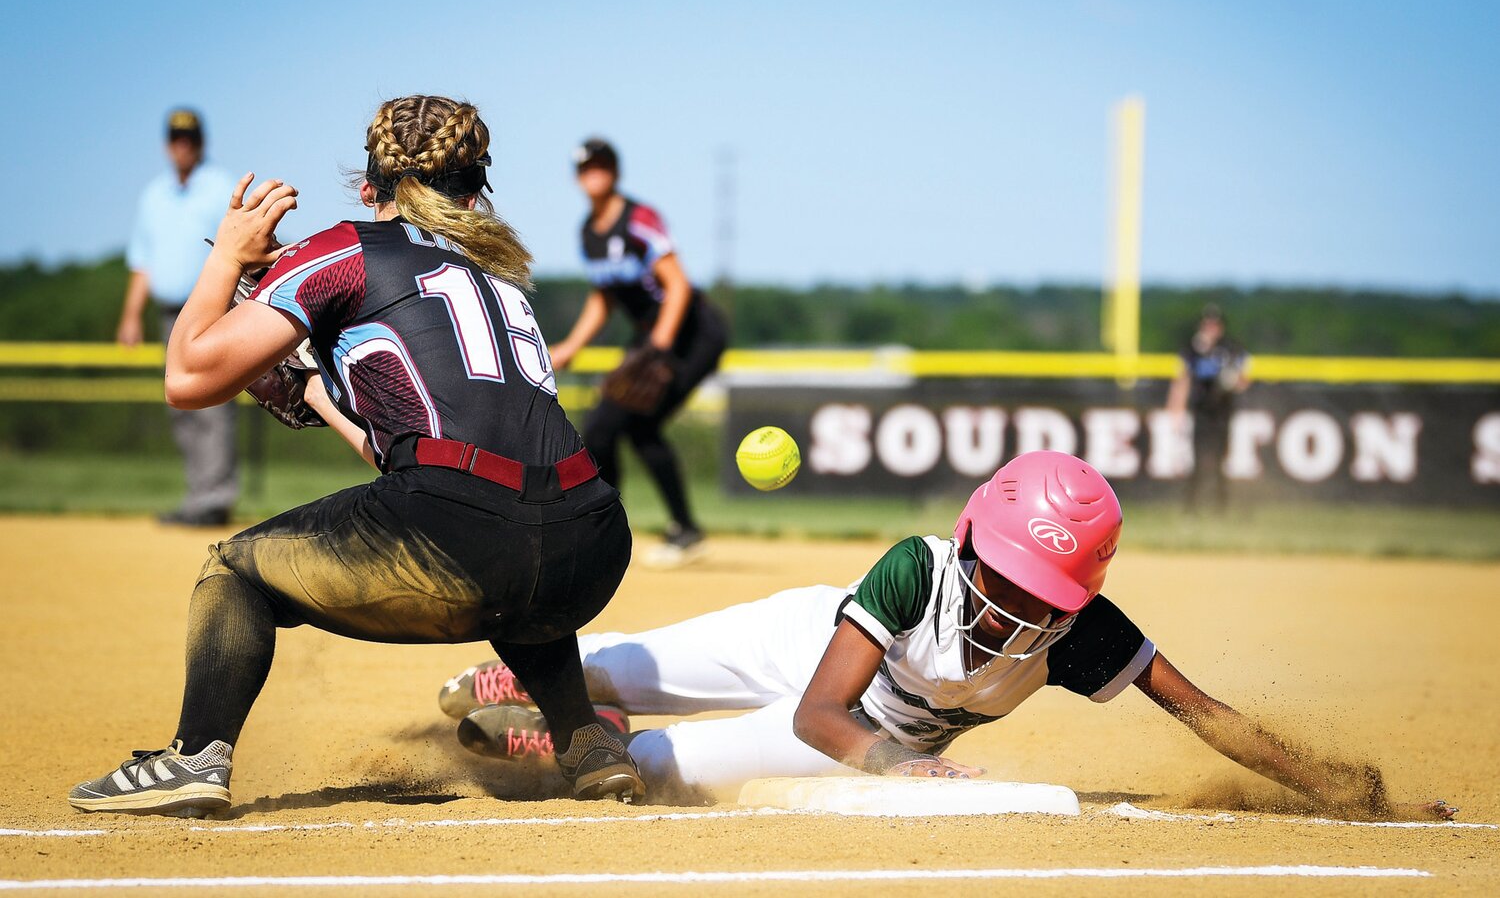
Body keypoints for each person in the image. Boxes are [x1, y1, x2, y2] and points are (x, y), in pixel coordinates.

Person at [70, 95, 644, 817]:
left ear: (369, 184)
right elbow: (436, 456)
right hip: (591, 543)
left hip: (466, 535)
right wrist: (315, 392)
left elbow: (187, 379)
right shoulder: (500, 278)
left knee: (233, 572)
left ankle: (194, 757)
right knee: (517, 534)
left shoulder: (346, 250)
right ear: (476, 191)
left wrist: (225, 255)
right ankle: (585, 740)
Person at [440, 450, 1455, 820]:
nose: (1019, 605)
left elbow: (1203, 715)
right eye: (1008, 575)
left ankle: (559, 737)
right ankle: (546, 684)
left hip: (863, 743)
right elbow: (821, 709)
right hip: (815, 663)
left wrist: (1342, 789)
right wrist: (905, 768)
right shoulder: (917, 565)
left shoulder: (1083, 631)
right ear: (973, 538)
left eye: (1044, 589)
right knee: (623, 663)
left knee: (646, 771)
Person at [548, 139, 728, 565]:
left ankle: (634, 530)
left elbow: (678, 285)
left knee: (626, 425)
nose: (593, 174)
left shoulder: (639, 218)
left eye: (601, 166)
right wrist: (572, 346)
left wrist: (660, 347)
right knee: (612, 428)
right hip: (653, 338)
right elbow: (604, 298)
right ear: (578, 178)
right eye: (585, 168)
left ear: (614, 171)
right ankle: (668, 530)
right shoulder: (588, 233)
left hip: (693, 332)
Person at [117, 109, 240, 526]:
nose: (182, 145)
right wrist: (131, 315)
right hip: (169, 314)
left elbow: (238, 247)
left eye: (189, 139)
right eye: (175, 138)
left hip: (210, 310)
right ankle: (197, 497)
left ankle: (215, 498)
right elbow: (143, 261)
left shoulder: (220, 187)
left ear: (200, 142)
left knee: (211, 404)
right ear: (167, 144)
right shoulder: (154, 195)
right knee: (181, 404)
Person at [1166, 304, 1250, 513]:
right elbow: (1181, 382)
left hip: (1222, 413)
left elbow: (1243, 380)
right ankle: (1191, 507)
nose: (1211, 328)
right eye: (1208, 324)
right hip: (1201, 413)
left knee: (1221, 461)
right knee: (1197, 461)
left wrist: (1231, 379)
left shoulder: (1232, 349)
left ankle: (1220, 507)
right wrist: (1175, 410)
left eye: (1215, 324)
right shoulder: (1192, 351)